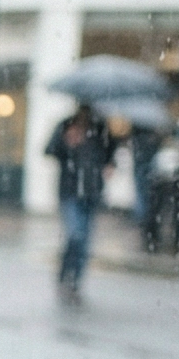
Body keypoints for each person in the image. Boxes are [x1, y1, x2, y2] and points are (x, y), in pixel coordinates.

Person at [43, 104, 111, 299]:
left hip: (91, 192)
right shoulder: (66, 126)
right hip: (70, 192)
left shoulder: (100, 129)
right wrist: (67, 143)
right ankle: (65, 274)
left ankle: (75, 281)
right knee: (75, 235)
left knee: (85, 240)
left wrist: (108, 166)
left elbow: (109, 153)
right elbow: (49, 150)